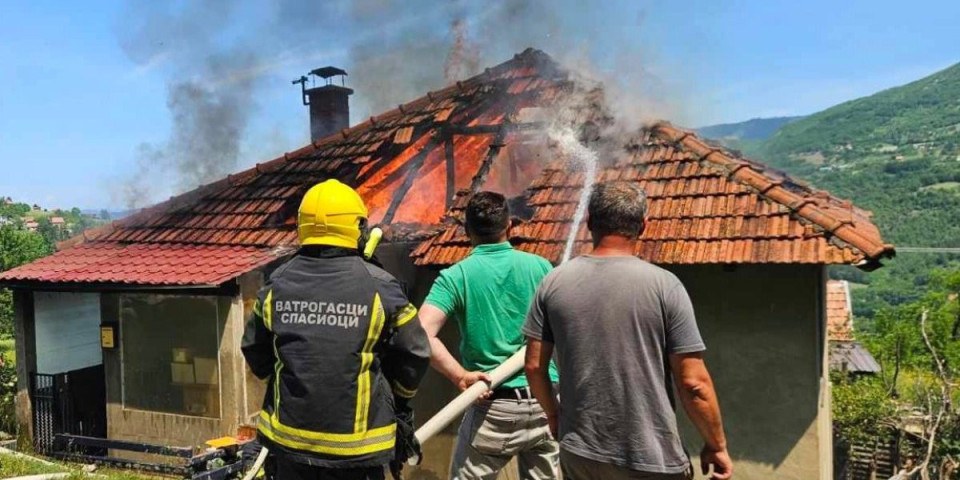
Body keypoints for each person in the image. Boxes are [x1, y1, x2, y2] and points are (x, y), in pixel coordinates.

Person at [523, 182, 733, 480]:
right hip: (649, 459)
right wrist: (716, 445)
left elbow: (533, 366)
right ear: (643, 226)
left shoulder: (553, 282)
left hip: (580, 454)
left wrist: (555, 416)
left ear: (589, 222)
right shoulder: (665, 286)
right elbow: (693, 384)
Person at [242, 179, 431, 480]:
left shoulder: (276, 284)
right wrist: (393, 397)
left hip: (289, 445)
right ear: (357, 227)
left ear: (303, 227)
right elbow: (415, 353)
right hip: (358, 453)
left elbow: (255, 351)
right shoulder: (381, 286)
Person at [419, 191, 560, 480]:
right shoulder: (541, 267)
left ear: (467, 231)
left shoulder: (456, 276)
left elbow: (421, 334)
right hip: (546, 401)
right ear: (509, 226)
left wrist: (459, 375)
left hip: (494, 406)